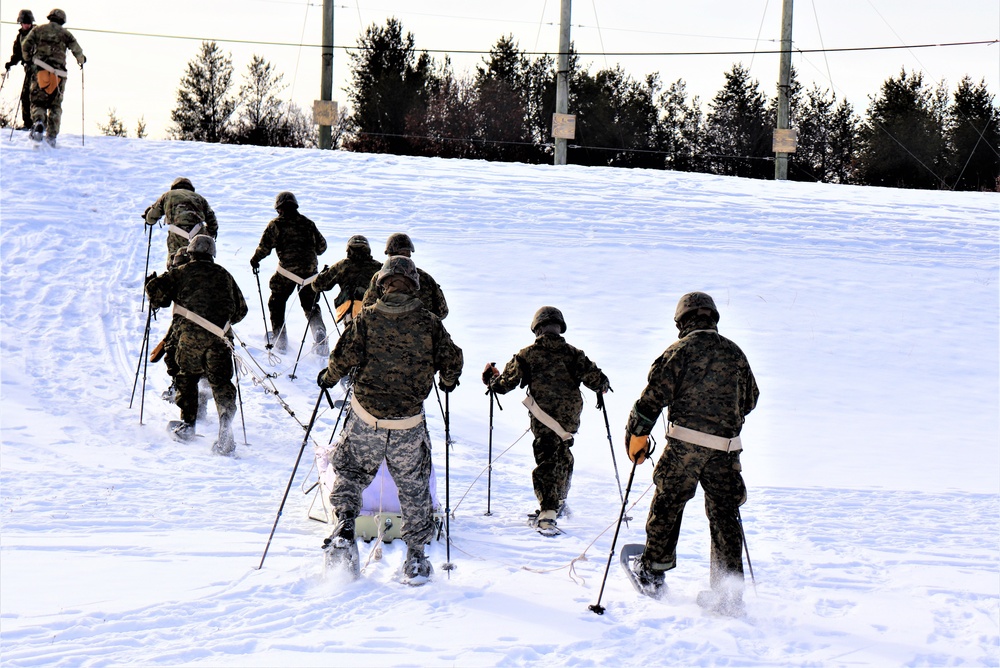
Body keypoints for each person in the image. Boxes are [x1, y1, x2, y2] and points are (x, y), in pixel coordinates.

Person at [317, 255, 463, 585]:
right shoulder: (429, 322)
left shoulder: (366, 319)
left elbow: (340, 360)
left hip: (366, 416)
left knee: (351, 472)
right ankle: (415, 558)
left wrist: (328, 377)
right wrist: (448, 381)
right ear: (414, 285)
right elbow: (453, 360)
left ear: (381, 284)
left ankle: (344, 529)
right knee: (412, 486)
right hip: (407, 423)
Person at [623, 292, 759, 615]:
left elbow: (651, 399)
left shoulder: (679, 351)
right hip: (725, 450)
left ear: (682, 321)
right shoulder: (735, 354)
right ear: (713, 318)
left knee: (669, 501)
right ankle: (728, 594)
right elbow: (750, 399)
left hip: (684, 446)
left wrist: (636, 434)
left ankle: (653, 571)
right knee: (724, 514)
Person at [483, 306, 610, 536]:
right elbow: (598, 380)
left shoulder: (527, 354)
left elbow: (504, 385)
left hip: (543, 418)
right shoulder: (574, 354)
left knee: (546, 459)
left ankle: (548, 514)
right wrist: (601, 385)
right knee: (562, 453)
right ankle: (560, 498)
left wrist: (491, 380)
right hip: (569, 419)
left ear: (537, 328)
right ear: (559, 328)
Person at [145, 235, 248, 455]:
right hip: (220, 339)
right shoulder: (225, 275)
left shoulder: (180, 272)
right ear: (212, 255)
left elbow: (159, 299)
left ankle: (188, 425)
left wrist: (151, 285)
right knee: (221, 383)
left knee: (187, 377)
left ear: (190, 252)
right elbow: (241, 311)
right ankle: (225, 429)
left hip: (189, 339)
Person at [250, 191, 327, 353]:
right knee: (311, 306)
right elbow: (322, 247)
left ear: (279, 209)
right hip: (310, 273)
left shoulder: (276, 224)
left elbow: (264, 248)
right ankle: (320, 335)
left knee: (276, 302)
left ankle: (280, 340)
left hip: (287, 272)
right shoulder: (308, 223)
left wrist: (255, 259)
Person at [18, 8, 84, 146]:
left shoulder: (38, 30)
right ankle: (52, 136)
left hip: (41, 70)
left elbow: (25, 45)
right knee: (55, 106)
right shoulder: (66, 34)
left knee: (38, 102)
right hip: (59, 75)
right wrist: (81, 60)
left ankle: (38, 123)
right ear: (62, 20)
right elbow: (77, 50)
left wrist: (28, 59)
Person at [361, 233, 448, 319]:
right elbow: (442, 311)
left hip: (382, 330)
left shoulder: (379, 277)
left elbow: (367, 308)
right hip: (421, 330)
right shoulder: (424, 278)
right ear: (408, 254)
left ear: (389, 254)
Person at [144, 177, 219, 269]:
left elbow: (151, 217)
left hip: (177, 232)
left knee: (175, 260)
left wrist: (149, 220)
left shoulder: (168, 195)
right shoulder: (199, 198)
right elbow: (212, 219)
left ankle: (175, 277)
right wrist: (211, 232)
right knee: (200, 261)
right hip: (198, 232)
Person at [311, 234, 382, 326]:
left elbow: (318, 285)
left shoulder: (342, 266)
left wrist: (322, 274)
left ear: (348, 250)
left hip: (350, 311)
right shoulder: (378, 267)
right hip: (374, 311)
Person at [3, 9, 36, 130]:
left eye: (29, 22)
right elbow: (17, 53)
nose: (27, 25)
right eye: (24, 22)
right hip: (28, 69)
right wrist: (11, 63)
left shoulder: (37, 34)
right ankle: (28, 123)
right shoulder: (20, 36)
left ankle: (39, 124)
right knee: (25, 96)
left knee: (37, 96)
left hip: (40, 70)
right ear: (20, 23)